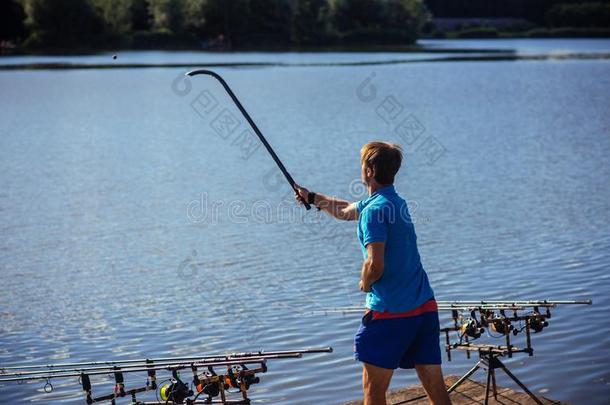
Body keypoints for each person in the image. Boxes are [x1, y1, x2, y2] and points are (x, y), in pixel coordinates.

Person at [294, 141, 451, 405]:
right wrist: (312, 198)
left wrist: (364, 283)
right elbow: (344, 211)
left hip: (391, 313)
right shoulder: (393, 202)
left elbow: (375, 264)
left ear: (368, 171)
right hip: (424, 309)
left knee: (373, 392)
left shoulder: (374, 211)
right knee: (436, 387)